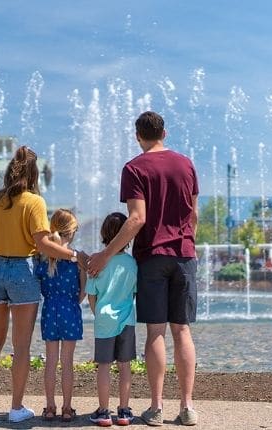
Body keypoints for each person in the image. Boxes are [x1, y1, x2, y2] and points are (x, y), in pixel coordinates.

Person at [88, 111, 200, 427]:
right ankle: (188, 407)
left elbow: (137, 219)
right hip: (184, 255)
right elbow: (193, 215)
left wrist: (105, 255)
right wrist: (189, 245)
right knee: (182, 330)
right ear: (164, 132)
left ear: (138, 136)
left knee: (156, 331)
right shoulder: (186, 164)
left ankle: (156, 408)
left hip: (152, 257)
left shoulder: (135, 168)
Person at [0, 145, 84, 423]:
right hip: (23, 269)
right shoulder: (34, 202)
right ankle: (15, 408)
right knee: (20, 345)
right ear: (34, 173)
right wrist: (74, 254)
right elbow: (43, 243)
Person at [86, 212, 138, 427]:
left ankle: (104, 412)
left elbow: (91, 295)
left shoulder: (97, 261)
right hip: (127, 318)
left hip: (104, 319)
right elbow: (134, 292)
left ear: (103, 234)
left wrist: (97, 313)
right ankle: (124, 411)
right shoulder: (131, 263)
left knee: (105, 367)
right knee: (125, 366)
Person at [34, 209, 86, 423]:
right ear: (71, 233)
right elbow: (82, 293)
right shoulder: (77, 260)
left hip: (49, 311)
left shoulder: (42, 259)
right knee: (67, 362)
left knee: (50, 362)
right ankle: (66, 408)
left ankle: (49, 407)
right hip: (70, 311)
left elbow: (37, 284)